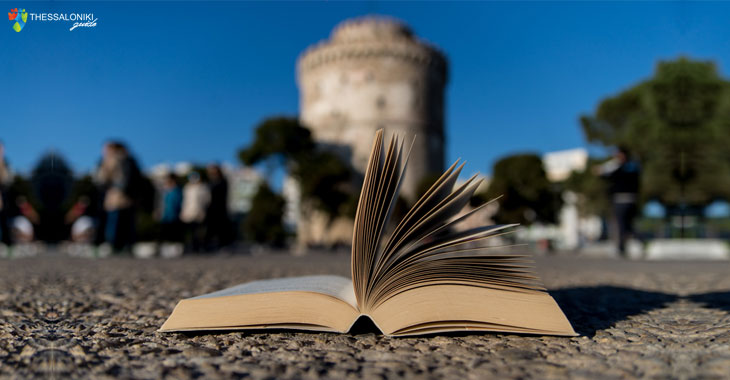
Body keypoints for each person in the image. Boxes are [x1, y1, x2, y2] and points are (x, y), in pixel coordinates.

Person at [95, 142, 142, 252]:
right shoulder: (130, 159)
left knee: (115, 222)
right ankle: (127, 246)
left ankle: (114, 245)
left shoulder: (111, 159)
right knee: (127, 223)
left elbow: (102, 179)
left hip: (116, 195)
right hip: (129, 197)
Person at [596, 147, 641, 256]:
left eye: (618, 155)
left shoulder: (619, 168)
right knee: (627, 225)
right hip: (630, 199)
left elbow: (605, 175)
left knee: (622, 224)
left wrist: (603, 171)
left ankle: (622, 248)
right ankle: (638, 242)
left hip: (621, 199)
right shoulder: (633, 166)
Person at [180, 172, 210, 252]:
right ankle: (191, 247)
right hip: (189, 212)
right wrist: (183, 211)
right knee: (190, 231)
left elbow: (207, 200)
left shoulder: (203, 187)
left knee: (199, 231)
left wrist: (203, 210)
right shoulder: (187, 188)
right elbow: (185, 201)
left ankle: (200, 247)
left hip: (199, 212)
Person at [204, 164, 231, 251]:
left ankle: (222, 245)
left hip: (220, 208)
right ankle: (208, 246)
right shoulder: (209, 182)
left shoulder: (223, 181)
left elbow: (224, 196)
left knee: (221, 228)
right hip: (210, 209)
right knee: (210, 228)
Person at [159, 173, 183, 243]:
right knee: (164, 232)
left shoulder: (178, 190)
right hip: (165, 216)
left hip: (176, 215)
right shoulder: (165, 191)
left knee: (175, 233)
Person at [0, 142, 12, 246]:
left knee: (4, 220)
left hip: (4, 194)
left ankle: (7, 243)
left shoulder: (5, 163)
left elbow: (7, 180)